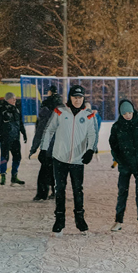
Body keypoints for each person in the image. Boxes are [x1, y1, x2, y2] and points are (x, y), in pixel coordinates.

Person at [40, 84, 98, 235]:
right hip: (60, 158)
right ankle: (59, 220)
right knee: (60, 190)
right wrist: (43, 148)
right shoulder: (60, 112)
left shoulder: (88, 115)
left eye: (80, 97)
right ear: (70, 98)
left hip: (78, 160)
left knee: (78, 190)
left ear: (83, 98)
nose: (77, 100)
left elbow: (92, 134)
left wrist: (90, 149)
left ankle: (80, 220)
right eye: (75, 97)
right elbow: (49, 130)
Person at [109, 99, 138, 231]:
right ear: (121, 114)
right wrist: (120, 159)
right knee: (122, 192)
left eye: (129, 112)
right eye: (125, 113)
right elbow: (113, 145)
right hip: (125, 165)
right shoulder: (117, 127)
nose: (128, 115)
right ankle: (118, 220)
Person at [30, 85, 62, 200]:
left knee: (45, 170)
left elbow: (40, 131)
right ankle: (56, 191)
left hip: (48, 146)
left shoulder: (46, 111)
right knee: (55, 169)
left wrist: (34, 148)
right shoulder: (63, 107)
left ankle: (42, 193)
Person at [0, 92, 27, 186]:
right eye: (13, 99)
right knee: (5, 156)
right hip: (6, 139)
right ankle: (3, 175)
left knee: (17, 157)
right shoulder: (1, 110)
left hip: (15, 138)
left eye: (15, 99)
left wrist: (23, 133)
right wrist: (1, 135)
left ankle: (14, 177)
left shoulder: (16, 110)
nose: (15, 100)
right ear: (7, 99)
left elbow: (20, 123)